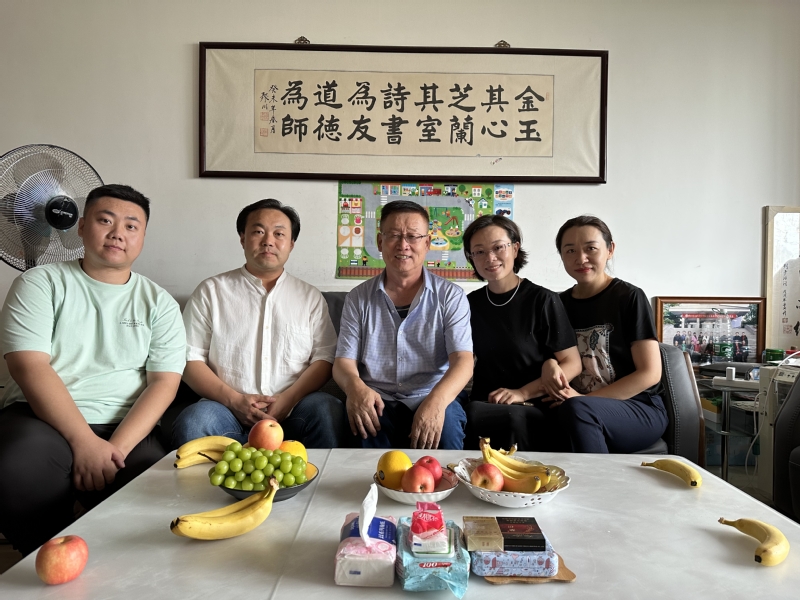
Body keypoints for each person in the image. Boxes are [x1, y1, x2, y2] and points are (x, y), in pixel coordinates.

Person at [0, 184, 186, 555]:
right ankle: (44, 559)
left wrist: (114, 450)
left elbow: (164, 382)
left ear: (142, 238)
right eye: (105, 221)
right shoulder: (39, 283)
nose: (118, 233)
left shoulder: (159, 303)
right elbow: (29, 365)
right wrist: (84, 442)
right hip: (41, 418)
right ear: (82, 227)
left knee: (162, 487)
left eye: (131, 226)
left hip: (124, 425)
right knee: (15, 467)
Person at [172, 199, 346, 449]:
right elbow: (189, 358)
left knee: (328, 409)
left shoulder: (309, 297)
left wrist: (288, 399)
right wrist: (234, 400)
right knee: (194, 421)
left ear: (291, 243)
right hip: (225, 409)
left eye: (279, 234)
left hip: (293, 409)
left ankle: (319, 477)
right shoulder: (211, 291)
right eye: (258, 231)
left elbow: (325, 357)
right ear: (243, 238)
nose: (268, 241)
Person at [333, 200, 473, 449]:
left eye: (413, 236)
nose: (403, 245)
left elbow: (463, 361)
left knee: (447, 427)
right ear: (380, 242)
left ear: (427, 243)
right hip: (377, 397)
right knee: (362, 444)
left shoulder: (450, 297)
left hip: (432, 393)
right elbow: (343, 362)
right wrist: (356, 388)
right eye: (394, 235)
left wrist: (436, 402)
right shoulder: (358, 298)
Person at [547, 215, 667, 453]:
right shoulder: (557, 303)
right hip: (576, 405)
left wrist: (584, 400)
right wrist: (549, 363)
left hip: (638, 407)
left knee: (577, 410)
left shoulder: (629, 297)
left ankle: (597, 478)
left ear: (610, 250)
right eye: (570, 250)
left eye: (590, 248)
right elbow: (553, 355)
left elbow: (650, 373)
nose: (581, 258)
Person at [460, 215, 581, 451]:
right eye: (479, 252)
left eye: (498, 247)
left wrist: (522, 393)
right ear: (471, 258)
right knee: (468, 413)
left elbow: (573, 363)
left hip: (533, 404)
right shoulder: (468, 304)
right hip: (485, 403)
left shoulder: (543, 300)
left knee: (510, 419)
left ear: (515, 249)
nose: (490, 258)